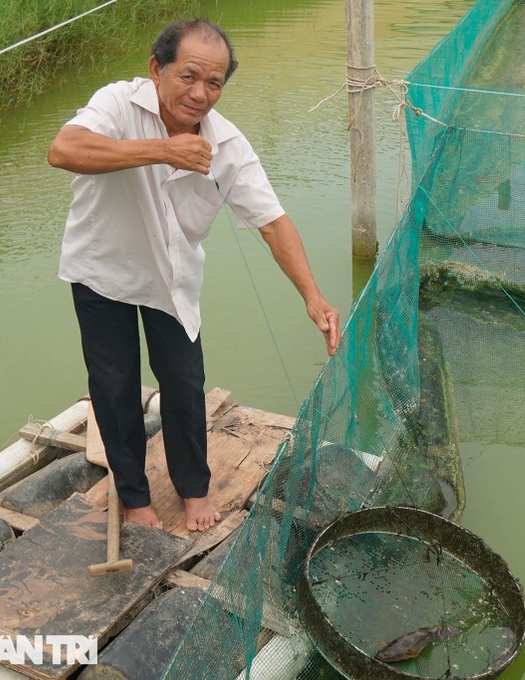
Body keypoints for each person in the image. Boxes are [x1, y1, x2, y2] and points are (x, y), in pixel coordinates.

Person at [48, 18, 340, 532]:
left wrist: (312, 296)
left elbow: (272, 223)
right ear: (156, 69)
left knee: (185, 381)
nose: (201, 93)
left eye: (214, 83)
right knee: (114, 385)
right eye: (188, 76)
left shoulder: (228, 144)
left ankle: (194, 489)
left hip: (171, 280)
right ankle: (136, 498)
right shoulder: (117, 104)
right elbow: (63, 151)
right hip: (101, 269)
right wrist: (162, 149)